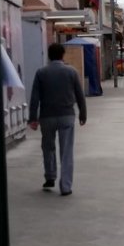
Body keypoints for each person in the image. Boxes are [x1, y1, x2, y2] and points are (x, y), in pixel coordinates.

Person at [29, 43, 88, 196]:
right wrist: (83, 114)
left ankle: (50, 176)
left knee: (48, 147)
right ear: (63, 55)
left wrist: (32, 118)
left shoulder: (41, 73)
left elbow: (35, 97)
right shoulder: (71, 72)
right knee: (66, 151)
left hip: (47, 117)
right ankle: (66, 187)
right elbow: (80, 95)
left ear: (49, 56)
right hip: (67, 116)